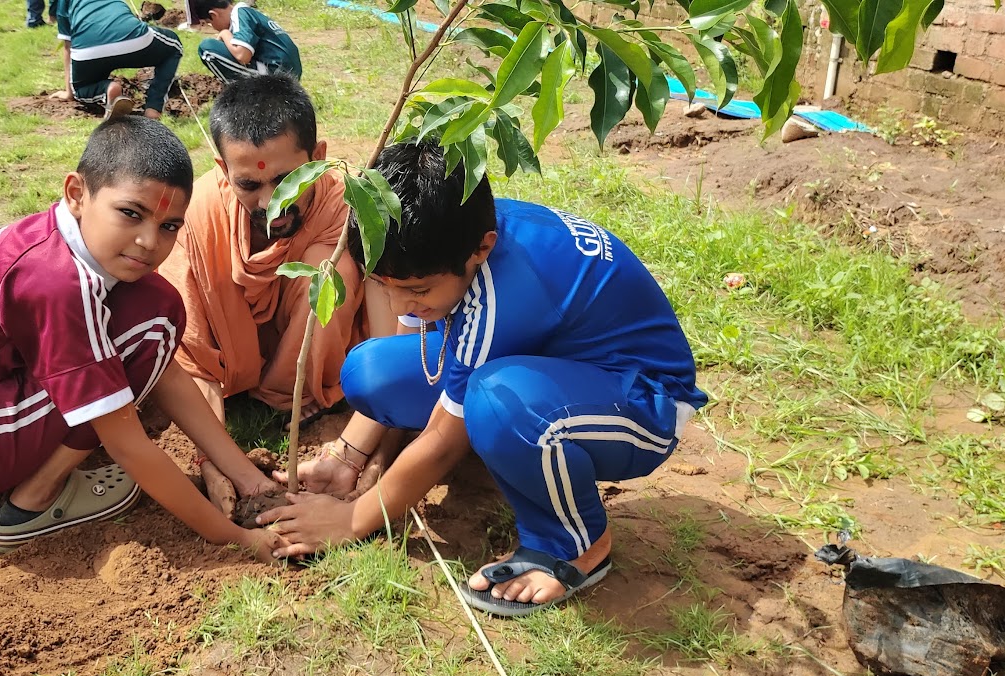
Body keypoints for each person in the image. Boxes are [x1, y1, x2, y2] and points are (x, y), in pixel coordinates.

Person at [258, 142, 709, 617]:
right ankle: (511, 445)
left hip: (641, 399)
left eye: (415, 291)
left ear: (483, 249)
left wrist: (353, 519)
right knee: (372, 371)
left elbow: (442, 440)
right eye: (384, 286)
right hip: (548, 365)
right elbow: (426, 349)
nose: (398, 306)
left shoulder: (502, 294)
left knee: (494, 402)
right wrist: (348, 458)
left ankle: (575, 543)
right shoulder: (442, 234)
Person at [0, 116, 282, 558]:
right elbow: (128, 445)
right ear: (76, 193)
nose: (148, 241)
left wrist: (248, 478)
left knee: (150, 305)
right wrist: (234, 538)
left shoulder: (49, 236)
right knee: (152, 325)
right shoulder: (62, 286)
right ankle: (36, 499)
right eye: (131, 214)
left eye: (168, 226)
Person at [158, 74, 396, 490]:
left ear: (318, 157)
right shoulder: (198, 217)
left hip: (321, 350)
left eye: (287, 181)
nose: (271, 203)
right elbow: (192, 352)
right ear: (223, 170)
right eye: (249, 184)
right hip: (234, 367)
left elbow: (391, 334)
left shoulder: (352, 203)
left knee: (328, 271)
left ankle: (299, 392)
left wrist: (373, 444)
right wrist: (213, 462)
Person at [48, 0, 184, 119]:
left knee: (82, 89)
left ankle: (107, 89)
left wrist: (69, 92)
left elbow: (67, 44)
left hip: (88, 50)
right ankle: (154, 107)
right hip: (131, 39)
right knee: (173, 47)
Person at [191, 0, 301, 82]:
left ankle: (242, 97)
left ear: (213, 14)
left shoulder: (239, 14)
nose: (213, 27)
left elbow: (242, 55)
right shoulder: (248, 13)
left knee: (207, 48)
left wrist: (224, 33)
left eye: (209, 23)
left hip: (275, 75)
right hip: (289, 72)